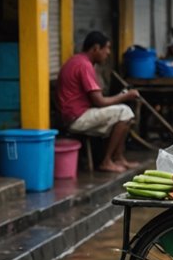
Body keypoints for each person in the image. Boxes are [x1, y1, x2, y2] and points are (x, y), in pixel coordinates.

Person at [57, 31, 140, 173]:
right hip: (77, 118)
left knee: (124, 114)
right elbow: (100, 101)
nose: (108, 53)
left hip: (74, 115)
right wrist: (125, 96)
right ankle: (106, 161)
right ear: (95, 48)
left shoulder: (77, 61)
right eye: (106, 48)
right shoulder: (84, 65)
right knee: (125, 112)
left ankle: (119, 157)